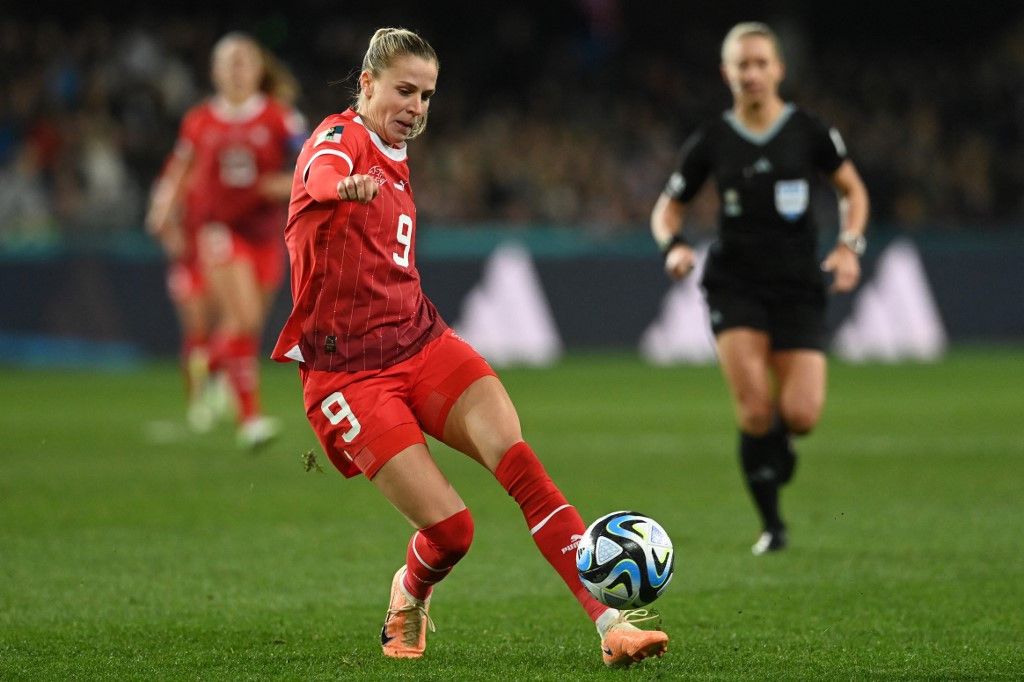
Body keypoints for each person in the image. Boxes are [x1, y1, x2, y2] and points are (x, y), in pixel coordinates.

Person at [271, 27, 668, 667]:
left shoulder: (394, 151)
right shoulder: (337, 141)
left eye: (426, 95)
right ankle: (409, 591)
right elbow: (322, 171)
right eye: (404, 91)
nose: (417, 108)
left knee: (522, 465)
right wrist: (336, 190)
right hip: (349, 379)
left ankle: (611, 624)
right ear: (366, 83)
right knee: (453, 532)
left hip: (424, 343)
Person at [650, 22, 869, 555]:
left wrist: (849, 246)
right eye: (740, 65)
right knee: (753, 410)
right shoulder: (712, 140)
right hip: (735, 284)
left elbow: (852, 191)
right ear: (726, 73)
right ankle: (772, 525)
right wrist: (673, 245)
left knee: (800, 415)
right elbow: (667, 208)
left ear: (778, 70)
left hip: (797, 283)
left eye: (760, 63)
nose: (751, 73)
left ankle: (779, 447)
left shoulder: (810, 132)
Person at [147, 32, 307, 448]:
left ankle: (210, 361)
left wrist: (283, 184)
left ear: (258, 70)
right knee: (244, 318)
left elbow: (309, 168)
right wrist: (164, 209)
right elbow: (182, 167)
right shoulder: (200, 121)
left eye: (244, 62)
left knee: (247, 327)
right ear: (215, 72)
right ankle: (251, 421)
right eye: (229, 63)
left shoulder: (280, 119)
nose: (237, 70)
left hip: (265, 233)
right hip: (220, 230)